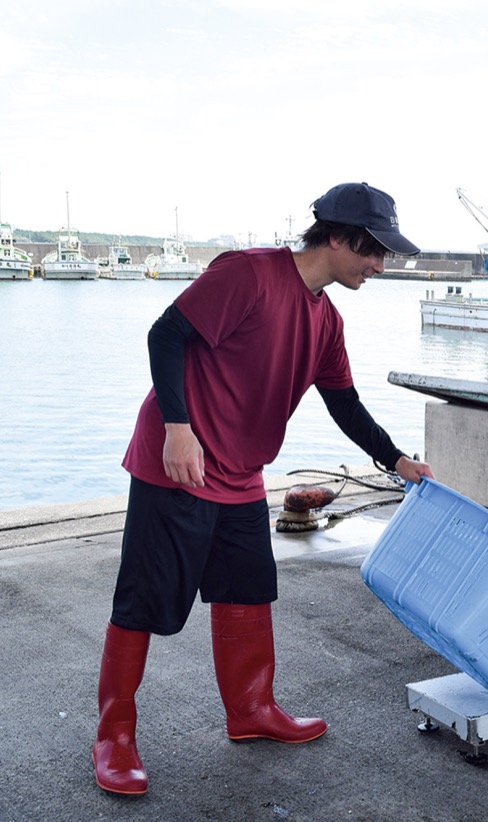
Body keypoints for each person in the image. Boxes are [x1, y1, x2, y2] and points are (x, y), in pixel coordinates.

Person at [91, 182, 435, 796]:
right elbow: (165, 336)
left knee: (248, 592)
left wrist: (397, 459)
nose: (380, 265)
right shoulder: (247, 274)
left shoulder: (327, 321)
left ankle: (250, 712)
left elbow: (345, 405)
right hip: (180, 463)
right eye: (373, 251)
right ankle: (114, 735)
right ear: (336, 237)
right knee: (143, 602)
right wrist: (178, 429)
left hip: (242, 474)